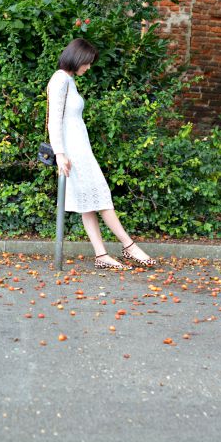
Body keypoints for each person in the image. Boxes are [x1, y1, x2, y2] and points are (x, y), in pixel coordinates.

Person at [47, 38, 156, 270]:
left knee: (89, 202)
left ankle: (101, 255)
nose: (88, 67)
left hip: (80, 150)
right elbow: (54, 121)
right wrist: (59, 153)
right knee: (102, 197)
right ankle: (129, 246)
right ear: (77, 58)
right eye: (87, 63)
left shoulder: (69, 80)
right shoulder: (60, 80)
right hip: (73, 154)